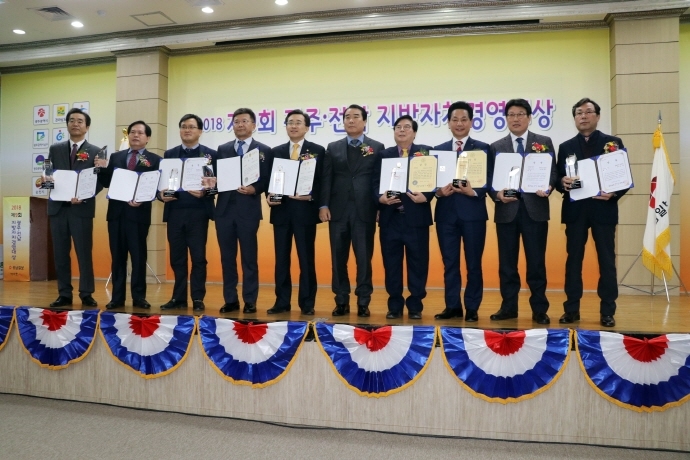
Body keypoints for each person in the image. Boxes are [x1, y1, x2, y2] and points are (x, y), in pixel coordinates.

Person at [556, 98, 626, 327]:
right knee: (573, 261)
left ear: (597, 116)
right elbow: (557, 178)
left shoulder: (612, 143)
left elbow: (623, 177)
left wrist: (614, 193)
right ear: (574, 118)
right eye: (579, 113)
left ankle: (607, 311)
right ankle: (571, 309)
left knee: (607, 261)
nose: (583, 116)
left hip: (603, 210)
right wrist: (562, 182)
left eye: (588, 112)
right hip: (575, 211)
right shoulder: (565, 146)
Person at [488, 99, 556, 325]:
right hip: (506, 211)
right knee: (507, 264)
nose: (515, 119)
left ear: (529, 117)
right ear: (506, 119)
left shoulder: (543, 142)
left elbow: (553, 173)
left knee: (536, 263)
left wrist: (548, 187)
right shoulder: (496, 146)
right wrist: (497, 194)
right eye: (511, 115)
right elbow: (490, 180)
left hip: (535, 210)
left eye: (520, 114)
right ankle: (508, 307)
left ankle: (539, 309)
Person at [319, 104, 385, 317]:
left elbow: (379, 180)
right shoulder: (333, 147)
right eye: (347, 117)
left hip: (365, 211)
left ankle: (364, 301)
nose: (351, 120)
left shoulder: (377, 147)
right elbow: (327, 178)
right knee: (338, 259)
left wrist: (380, 207)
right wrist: (323, 205)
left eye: (356, 116)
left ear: (364, 121)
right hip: (337, 211)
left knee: (364, 259)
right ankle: (341, 301)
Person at [433, 101, 492, 322]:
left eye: (464, 119)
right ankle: (452, 306)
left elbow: (490, 180)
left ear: (471, 122)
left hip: (473, 214)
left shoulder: (483, 148)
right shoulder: (438, 150)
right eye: (455, 120)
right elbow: (431, 184)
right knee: (450, 263)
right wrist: (438, 192)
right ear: (448, 123)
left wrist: (473, 191)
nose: (459, 124)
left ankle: (472, 307)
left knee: (473, 263)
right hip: (446, 215)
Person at [373, 115, 433, 320]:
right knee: (391, 264)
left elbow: (434, 181)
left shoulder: (425, 153)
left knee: (418, 263)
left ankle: (415, 305)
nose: (402, 130)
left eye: (407, 127)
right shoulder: (384, 155)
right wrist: (379, 198)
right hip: (390, 219)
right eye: (398, 127)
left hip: (416, 218)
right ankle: (395, 305)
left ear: (414, 132)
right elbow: (374, 183)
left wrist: (427, 196)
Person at [266, 110, 325, 316]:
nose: (294, 126)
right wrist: (269, 195)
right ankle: (282, 301)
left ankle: (307, 303)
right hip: (281, 212)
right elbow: (269, 180)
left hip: (305, 213)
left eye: (298, 122)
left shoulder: (317, 151)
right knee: (281, 260)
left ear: (307, 127)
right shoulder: (276, 151)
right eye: (290, 122)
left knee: (306, 259)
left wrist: (311, 196)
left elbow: (323, 181)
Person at [98, 121, 161, 310]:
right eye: (133, 132)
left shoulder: (155, 160)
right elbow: (107, 182)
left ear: (148, 138)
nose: (135, 135)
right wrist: (101, 168)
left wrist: (143, 198)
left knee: (138, 257)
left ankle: (139, 297)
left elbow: (156, 186)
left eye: (140, 133)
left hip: (139, 215)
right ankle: (117, 298)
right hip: (116, 215)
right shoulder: (115, 156)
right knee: (118, 257)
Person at [158, 114, 217, 312]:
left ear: (200, 131)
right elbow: (161, 184)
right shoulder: (169, 154)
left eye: (191, 127)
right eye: (184, 126)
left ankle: (198, 297)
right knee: (177, 258)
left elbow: (216, 187)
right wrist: (161, 195)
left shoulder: (210, 155)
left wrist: (205, 192)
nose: (187, 130)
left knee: (198, 257)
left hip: (198, 213)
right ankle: (178, 297)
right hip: (175, 212)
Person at [216, 108, 272, 314]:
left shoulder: (264, 150)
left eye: (244, 121)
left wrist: (255, 189)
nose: (240, 125)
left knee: (249, 258)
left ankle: (250, 300)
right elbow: (216, 177)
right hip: (224, 211)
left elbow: (268, 180)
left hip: (248, 211)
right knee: (227, 258)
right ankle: (230, 300)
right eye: (236, 121)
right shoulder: (222, 149)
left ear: (253, 125)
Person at [46, 108, 102, 308]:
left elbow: (100, 181)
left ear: (87, 127)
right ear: (67, 125)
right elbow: (48, 174)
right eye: (71, 120)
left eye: (80, 121)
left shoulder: (96, 151)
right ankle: (64, 294)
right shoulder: (55, 149)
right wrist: (46, 181)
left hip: (81, 209)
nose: (75, 124)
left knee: (84, 253)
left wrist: (85, 195)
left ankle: (86, 293)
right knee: (60, 254)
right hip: (58, 209)